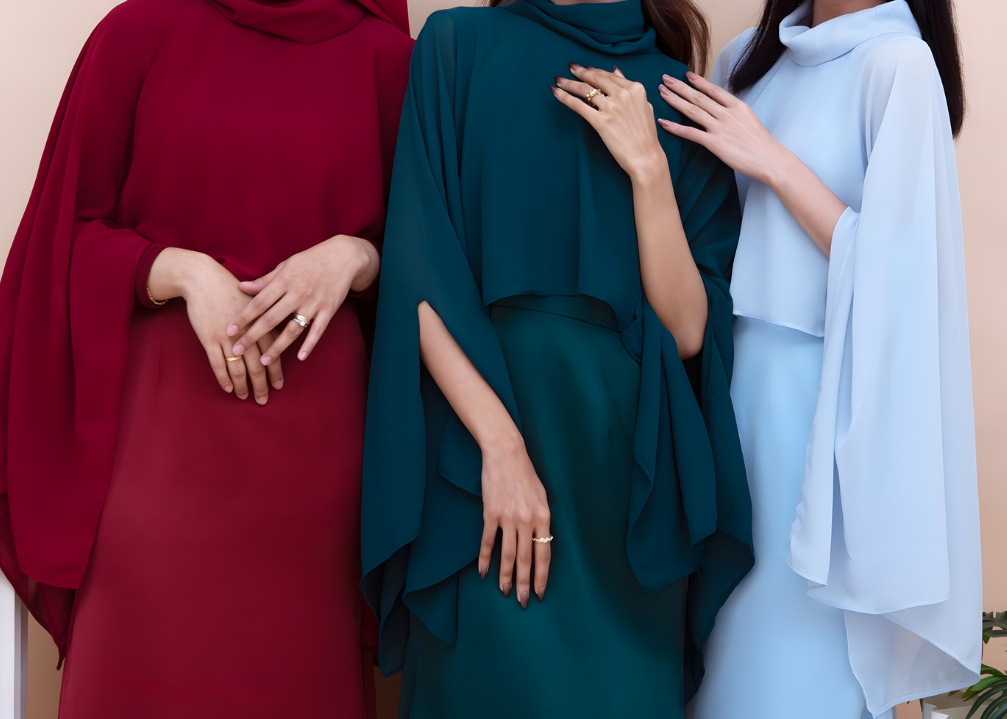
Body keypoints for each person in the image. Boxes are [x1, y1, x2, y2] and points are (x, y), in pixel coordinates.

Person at [560, 0, 983, 717]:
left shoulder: (898, 66)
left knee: (789, 671)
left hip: (820, 415)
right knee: (714, 657)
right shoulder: (742, 60)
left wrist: (774, 162)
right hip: (724, 396)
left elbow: (904, 279)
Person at [0, 0, 411, 716]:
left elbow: (442, 265)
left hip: (315, 481)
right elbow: (57, 241)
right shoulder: (137, 34)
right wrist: (178, 272)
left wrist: (358, 255)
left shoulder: (385, 61)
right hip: (156, 450)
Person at [360, 0, 754, 715]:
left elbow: (690, 329)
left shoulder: (674, 95)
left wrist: (647, 170)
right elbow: (416, 270)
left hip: (628, 485)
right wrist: (500, 447)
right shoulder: (458, 46)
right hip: (480, 464)